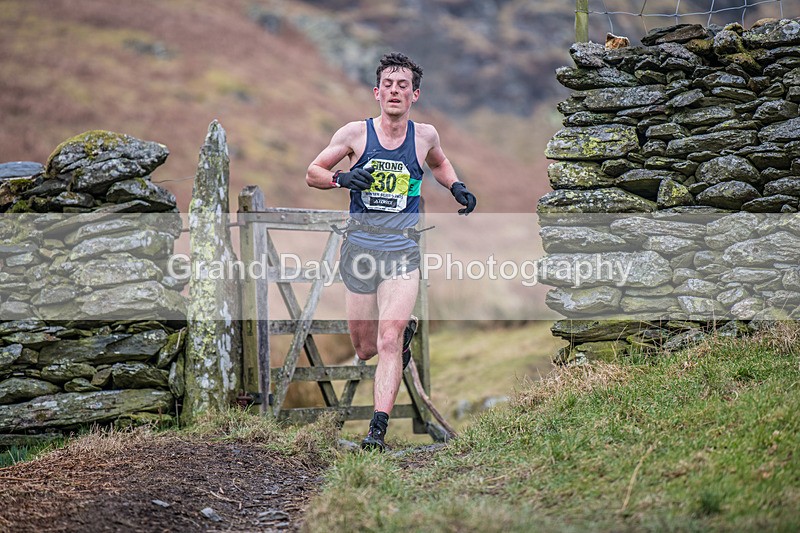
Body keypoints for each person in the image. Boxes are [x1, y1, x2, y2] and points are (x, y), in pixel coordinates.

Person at [306, 52, 477, 451]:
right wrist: (341, 178)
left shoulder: (425, 136)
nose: (395, 91)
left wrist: (456, 186)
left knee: (387, 338)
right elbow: (312, 172)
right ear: (376, 92)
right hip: (360, 250)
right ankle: (400, 340)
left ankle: (376, 433)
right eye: (388, 84)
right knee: (365, 348)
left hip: (402, 252)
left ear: (414, 94)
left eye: (403, 86)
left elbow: (440, 163)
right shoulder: (354, 134)